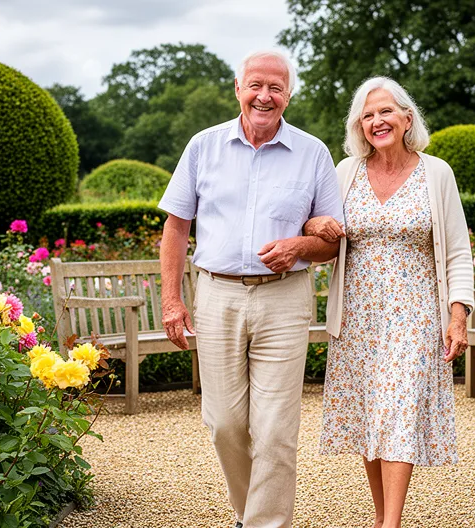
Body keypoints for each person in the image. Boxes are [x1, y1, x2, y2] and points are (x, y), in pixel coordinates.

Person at [157, 49, 343, 528]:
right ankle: (248, 515)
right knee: (224, 423)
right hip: (216, 295)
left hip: (285, 297)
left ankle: (264, 524)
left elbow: (331, 241)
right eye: (256, 85)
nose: (265, 96)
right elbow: (176, 227)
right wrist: (173, 300)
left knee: (276, 429)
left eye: (276, 87)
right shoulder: (203, 146)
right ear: (238, 89)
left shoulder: (313, 153)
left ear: (288, 95)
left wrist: (299, 245)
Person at [304, 77, 474, 528]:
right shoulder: (345, 171)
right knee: (370, 416)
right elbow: (317, 225)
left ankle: (391, 524)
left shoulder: (436, 172)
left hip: (415, 315)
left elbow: (458, 250)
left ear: (407, 118)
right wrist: (316, 224)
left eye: (385, 112)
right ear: (359, 126)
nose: (377, 121)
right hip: (357, 317)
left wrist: (458, 315)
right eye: (368, 115)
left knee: (397, 411)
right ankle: (381, 517)